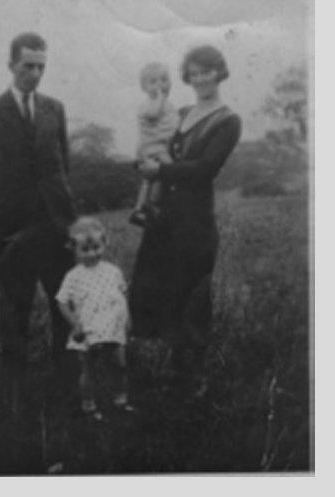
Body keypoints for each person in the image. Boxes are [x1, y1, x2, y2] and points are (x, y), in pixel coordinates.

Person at [130, 45, 242, 397]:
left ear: (219, 72)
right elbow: (154, 137)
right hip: (165, 217)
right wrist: (145, 160)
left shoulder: (227, 120)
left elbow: (206, 169)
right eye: (193, 73)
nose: (200, 78)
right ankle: (174, 372)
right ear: (187, 77)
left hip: (194, 220)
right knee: (162, 290)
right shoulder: (181, 112)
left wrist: (161, 168)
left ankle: (194, 378)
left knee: (192, 295)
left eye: (207, 71)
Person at [0, 32, 76, 394]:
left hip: (57, 226)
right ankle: (15, 388)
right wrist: (5, 212)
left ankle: (66, 381)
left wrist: (64, 215)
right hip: (14, 229)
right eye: (27, 66)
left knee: (63, 304)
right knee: (14, 309)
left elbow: (63, 163)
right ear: (11, 65)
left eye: (41, 67)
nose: (35, 73)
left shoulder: (55, 109)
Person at [56, 217, 134, 421]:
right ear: (74, 249)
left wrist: (127, 319)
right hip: (88, 329)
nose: (92, 253)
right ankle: (89, 406)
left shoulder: (113, 271)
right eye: (85, 249)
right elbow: (62, 302)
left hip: (113, 327)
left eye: (96, 247)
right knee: (88, 370)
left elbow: (122, 296)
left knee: (119, 364)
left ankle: (121, 400)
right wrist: (75, 324)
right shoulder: (74, 276)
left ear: (104, 243)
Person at [129, 62, 178, 227]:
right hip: (153, 147)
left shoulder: (167, 104)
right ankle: (153, 206)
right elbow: (153, 113)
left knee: (151, 179)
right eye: (153, 82)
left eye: (164, 80)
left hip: (156, 146)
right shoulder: (149, 104)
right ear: (144, 87)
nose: (159, 85)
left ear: (170, 83)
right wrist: (159, 97)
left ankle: (139, 209)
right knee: (169, 171)